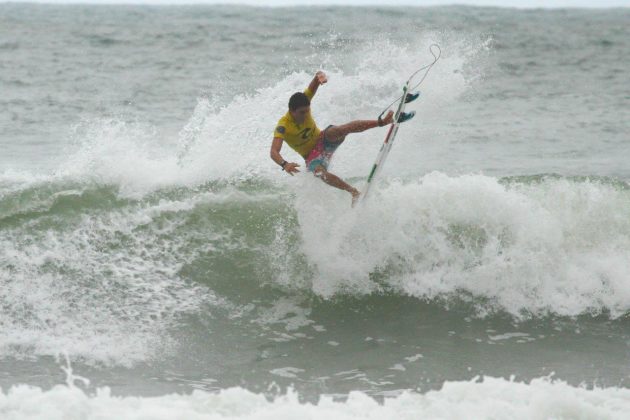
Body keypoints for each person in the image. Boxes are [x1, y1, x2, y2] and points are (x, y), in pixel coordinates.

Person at [269, 71, 397, 206]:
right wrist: (285, 164)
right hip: (312, 157)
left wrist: (320, 77)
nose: (306, 115)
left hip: (323, 140)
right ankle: (353, 192)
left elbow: (315, 80)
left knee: (339, 130)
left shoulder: (304, 100)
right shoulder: (283, 125)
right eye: (302, 113)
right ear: (291, 111)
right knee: (319, 173)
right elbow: (273, 151)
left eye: (307, 111)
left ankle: (382, 122)